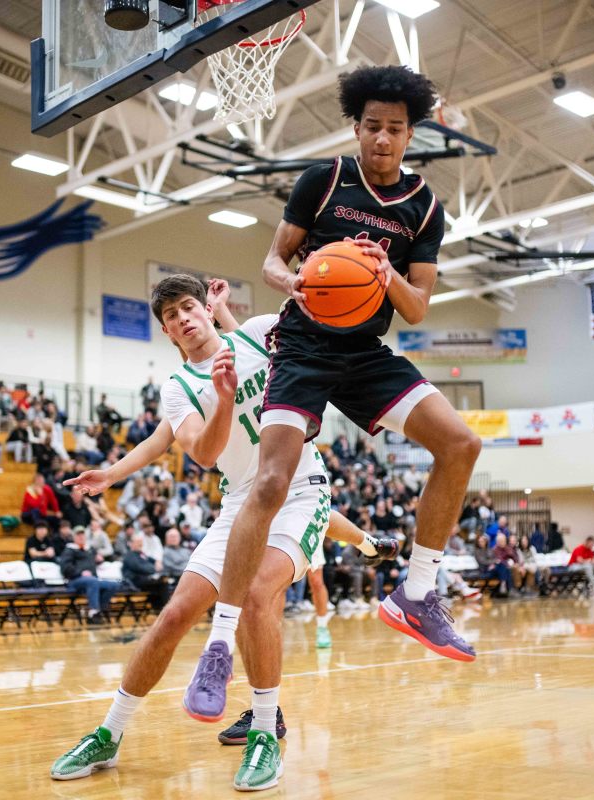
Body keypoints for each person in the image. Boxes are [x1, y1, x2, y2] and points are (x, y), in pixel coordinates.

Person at [185, 66, 480, 721]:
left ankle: (419, 594)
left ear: (411, 136)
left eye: (395, 129)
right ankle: (218, 647)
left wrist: (384, 276)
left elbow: (421, 304)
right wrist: (297, 283)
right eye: (372, 126)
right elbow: (270, 262)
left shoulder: (425, 208)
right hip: (307, 347)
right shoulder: (323, 181)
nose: (382, 138)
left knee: (460, 443)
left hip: (366, 353)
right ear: (357, 127)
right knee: (268, 485)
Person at [50, 276, 394, 790]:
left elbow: (315, 320)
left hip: (301, 489)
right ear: (167, 333)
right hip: (240, 502)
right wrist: (223, 401)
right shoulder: (179, 387)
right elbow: (201, 453)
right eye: (171, 316)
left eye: (189, 307)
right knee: (173, 615)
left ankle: (262, 736)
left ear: (208, 310)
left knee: (258, 595)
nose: (183, 319)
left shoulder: (255, 333)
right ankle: (109, 732)